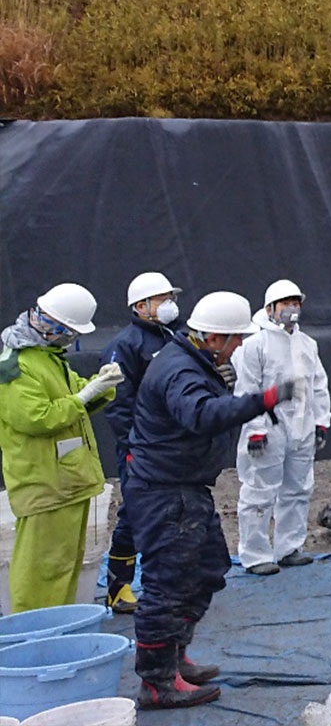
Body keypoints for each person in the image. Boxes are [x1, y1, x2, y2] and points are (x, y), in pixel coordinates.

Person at [123, 291, 295, 710]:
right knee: (167, 585)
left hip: (182, 486)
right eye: (235, 340)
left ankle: (175, 657)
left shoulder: (190, 360)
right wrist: (261, 400)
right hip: (165, 492)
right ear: (214, 338)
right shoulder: (180, 370)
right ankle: (157, 681)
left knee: (206, 568)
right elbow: (199, 415)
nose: (238, 347)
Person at [0, 283, 120, 612]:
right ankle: (33, 635)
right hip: (45, 484)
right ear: (53, 325)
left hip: (66, 482)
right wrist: (83, 397)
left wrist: (101, 386)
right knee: (40, 571)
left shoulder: (47, 357)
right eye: (68, 331)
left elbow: (72, 394)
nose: (70, 338)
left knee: (64, 565)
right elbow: (37, 418)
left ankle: (59, 630)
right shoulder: (16, 364)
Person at [97, 271, 185, 614]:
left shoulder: (177, 337)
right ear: (141, 305)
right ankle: (118, 587)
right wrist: (137, 444)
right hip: (142, 449)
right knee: (135, 514)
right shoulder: (124, 347)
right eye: (162, 299)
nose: (169, 305)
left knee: (177, 511)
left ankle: (168, 582)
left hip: (177, 445)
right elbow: (117, 403)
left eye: (170, 298)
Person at [232, 279, 331, 575]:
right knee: (260, 491)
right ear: (269, 308)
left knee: (299, 489)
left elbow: (318, 386)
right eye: (286, 303)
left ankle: (289, 547)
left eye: (296, 302)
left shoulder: (307, 344)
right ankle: (255, 555)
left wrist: (320, 421)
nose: (292, 308)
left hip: (301, 426)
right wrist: (254, 429)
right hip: (270, 427)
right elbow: (246, 390)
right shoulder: (254, 345)